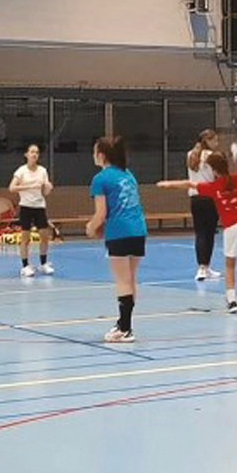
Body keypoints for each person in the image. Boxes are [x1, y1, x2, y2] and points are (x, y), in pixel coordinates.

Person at [159, 153, 237, 315]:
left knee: (230, 265)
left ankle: (232, 301)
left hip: (232, 226)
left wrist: (169, 184)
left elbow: (189, 183)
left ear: (214, 170)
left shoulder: (214, 186)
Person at [86, 136, 146, 343]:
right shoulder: (128, 174)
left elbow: (101, 213)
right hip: (138, 230)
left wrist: (91, 227)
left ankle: (126, 329)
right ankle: (123, 323)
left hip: (119, 232)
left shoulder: (100, 179)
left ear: (101, 155)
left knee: (122, 281)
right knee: (130, 278)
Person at [9, 144, 54, 277]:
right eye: (32, 152)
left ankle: (43, 264)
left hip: (39, 206)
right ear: (27, 155)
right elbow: (12, 188)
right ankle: (25, 266)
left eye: (37, 152)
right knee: (26, 238)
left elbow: (45, 192)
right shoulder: (21, 171)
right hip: (26, 207)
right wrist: (28, 186)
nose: (34, 155)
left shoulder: (42, 171)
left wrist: (48, 187)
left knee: (44, 236)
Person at [187, 129, 222, 281]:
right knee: (209, 234)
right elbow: (218, 176)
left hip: (195, 198)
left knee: (200, 233)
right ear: (207, 141)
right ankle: (205, 266)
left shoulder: (190, 154)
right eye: (215, 140)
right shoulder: (212, 156)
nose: (217, 143)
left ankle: (202, 268)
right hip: (209, 198)